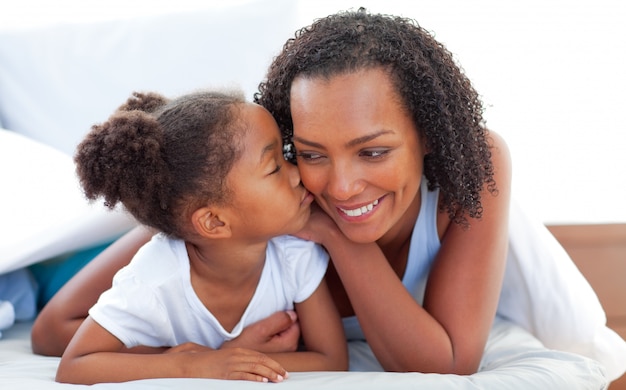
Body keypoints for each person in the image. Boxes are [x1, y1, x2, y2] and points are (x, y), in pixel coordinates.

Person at [33, 8, 624, 381]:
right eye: (310, 154)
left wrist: (331, 234)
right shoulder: (245, 207)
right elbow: (60, 327)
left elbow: (446, 364)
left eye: (373, 151)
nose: (338, 186)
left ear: (429, 138)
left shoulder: (473, 164)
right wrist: (201, 355)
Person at [53, 90, 348, 384]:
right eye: (274, 168)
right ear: (214, 221)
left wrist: (229, 355)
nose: (298, 173)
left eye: (285, 155)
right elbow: (76, 364)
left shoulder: (294, 252)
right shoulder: (154, 278)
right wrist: (192, 365)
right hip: (71, 261)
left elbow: (332, 360)